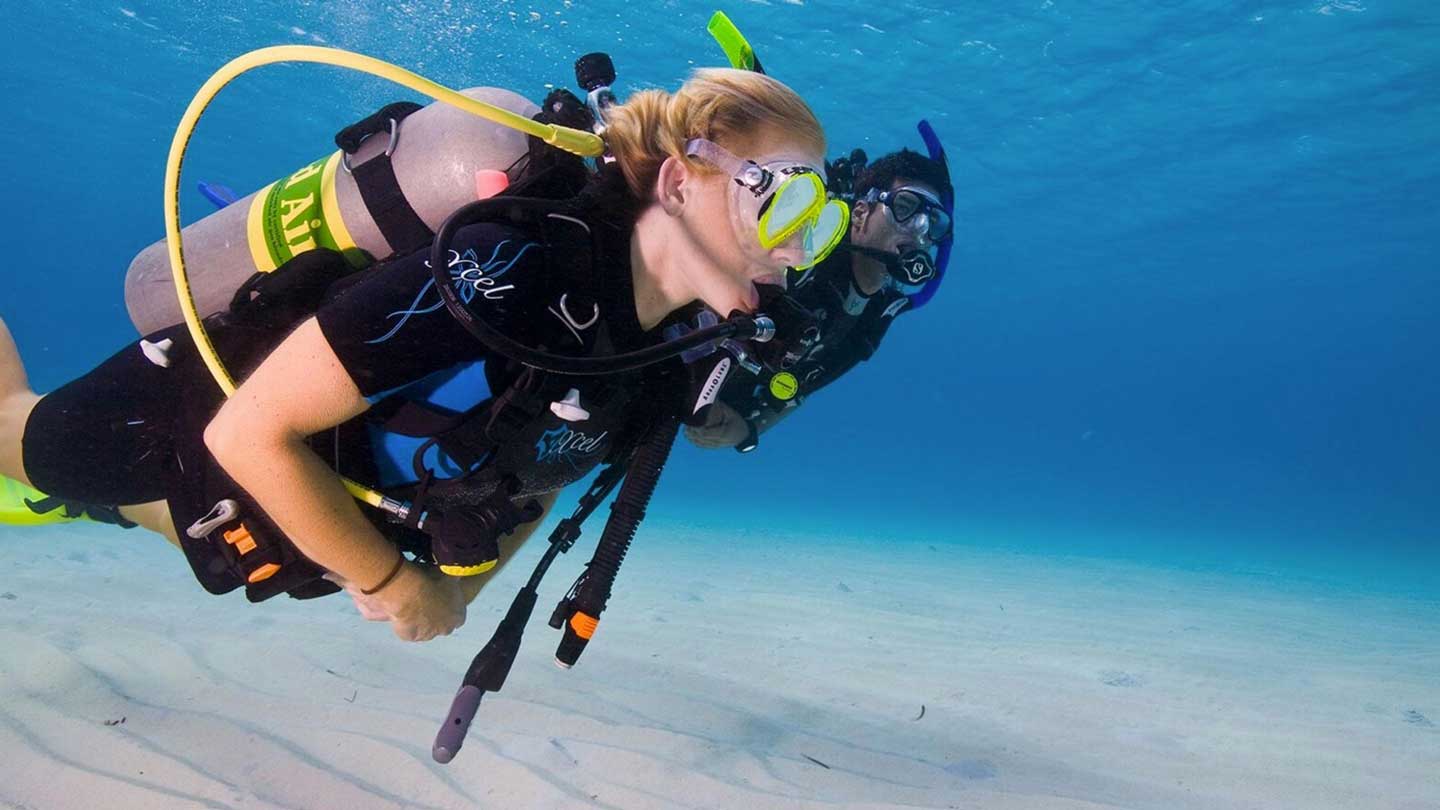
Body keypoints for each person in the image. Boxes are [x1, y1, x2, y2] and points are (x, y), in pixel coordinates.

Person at [0, 67, 844, 643]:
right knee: (24, 439)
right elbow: (245, 435)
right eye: (785, 200)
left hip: (309, 492)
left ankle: (92, 508)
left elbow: (545, 465)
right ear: (675, 182)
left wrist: (460, 590)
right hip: (191, 407)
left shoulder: (663, 358)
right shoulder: (509, 267)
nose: (800, 247)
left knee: (198, 534)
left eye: (821, 220)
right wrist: (394, 587)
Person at [686, 146, 953, 452]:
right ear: (861, 214)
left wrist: (747, 430)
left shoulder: (880, 311)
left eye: (934, 222)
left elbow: (803, 385)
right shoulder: (799, 255)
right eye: (906, 206)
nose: (920, 231)